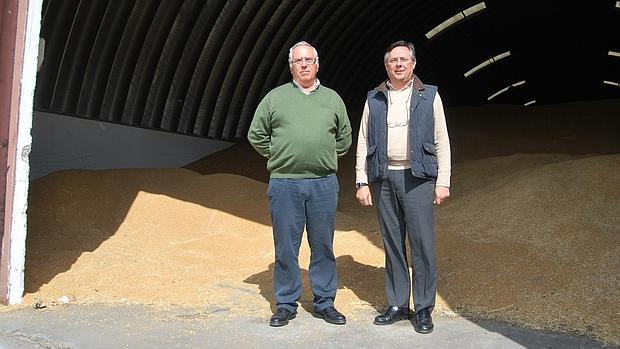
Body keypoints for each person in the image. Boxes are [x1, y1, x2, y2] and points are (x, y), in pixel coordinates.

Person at [247, 41, 352, 327]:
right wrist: (279, 154)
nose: (303, 65)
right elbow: (256, 134)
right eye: (298, 61)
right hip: (285, 184)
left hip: (323, 184)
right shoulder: (275, 98)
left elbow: (344, 137)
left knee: (322, 246)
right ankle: (285, 303)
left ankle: (324, 302)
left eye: (308, 60)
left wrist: (325, 156)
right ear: (291, 66)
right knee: (285, 247)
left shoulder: (332, 99)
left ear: (317, 64)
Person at [355, 40, 451, 334]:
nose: (398, 64)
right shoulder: (374, 98)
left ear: (413, 64)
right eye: (393, 60)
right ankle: (397, 304)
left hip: (418, 177)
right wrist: (362, 180)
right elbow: (363, 141)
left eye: (403, 60)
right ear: (386, 66)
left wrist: (443, 181)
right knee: (392, 242)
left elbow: (441, 140)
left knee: (422, 244)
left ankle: (423, 308)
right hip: (384, 177)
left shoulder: (429, 95)